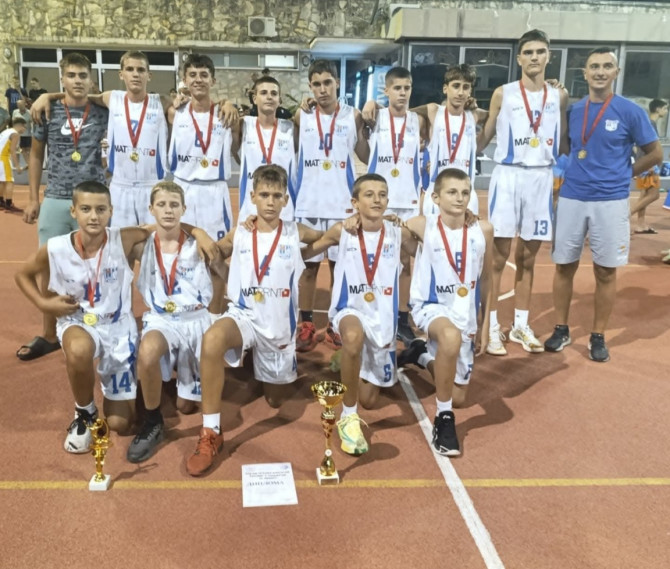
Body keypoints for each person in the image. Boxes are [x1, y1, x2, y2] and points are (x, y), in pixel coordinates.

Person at [184, 164, 324, 476]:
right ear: (252, 197)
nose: (270, 201)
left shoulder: (296, 232)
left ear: (285, 199)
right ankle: (210, 431)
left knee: (275, 401)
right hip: (244, 315)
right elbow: (215, 253)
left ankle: (255, 359)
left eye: (276, 195)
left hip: (278, 326)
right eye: (264, 195)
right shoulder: (241, 232)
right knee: (212, 339)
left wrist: (356, 223)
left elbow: (328, 236)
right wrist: (199, 234)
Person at [14, 182, 155, 452]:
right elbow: (22, 275)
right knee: (78, 349)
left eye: (101, 209)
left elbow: (160, 227)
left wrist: (198, 233)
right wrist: (44, 303)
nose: (94, 216)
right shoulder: (56, 247)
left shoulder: (123, 238)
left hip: (117, 326)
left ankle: (130, 389)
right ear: (73, 211)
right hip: (78, 321)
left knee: (120, 424)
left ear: (111, 211)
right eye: (86, 209)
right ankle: (85, 412)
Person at [544, 47, 662, 362]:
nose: (599, 72)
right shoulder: (575, 110)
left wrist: (625, 174)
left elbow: (655, 153)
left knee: (606, 271)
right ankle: (561, 328)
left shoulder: (630, 111)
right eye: (594, 66)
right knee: (563, 265)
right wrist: (558, 106)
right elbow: (566, 147)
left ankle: (598, 335)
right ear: (585, 73)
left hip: (610, 200)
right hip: (572, 196)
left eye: (606, 66)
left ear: (615, 72)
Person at [300, 173, 418, 455]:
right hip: (349, 310)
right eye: (369, 194)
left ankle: (402, 355)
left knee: (370, 400)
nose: (377, 199)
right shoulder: (343, 231)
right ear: (355, 202)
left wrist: (462, 219)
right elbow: (306, 253)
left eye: (382, 195)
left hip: (382, 319)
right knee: (352, 337)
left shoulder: (397, 234)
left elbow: (430, 249)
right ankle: (348, 418)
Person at [477, 29, 568, 356]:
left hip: (541, 178)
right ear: (519, 58)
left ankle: (520, 325)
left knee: (528, 258)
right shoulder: (503, 93)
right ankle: (491, 327)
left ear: (549, 56)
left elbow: (564, 142)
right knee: (498, 258)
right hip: (509, 176)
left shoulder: (559, 96)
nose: (534, 57)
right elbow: (483, 139)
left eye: (540, 51)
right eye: (528, 52)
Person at [18, 52, 109, 362]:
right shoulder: (47, 111)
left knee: (96, 265)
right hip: (56, 197)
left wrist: (49, 93)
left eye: (83, 75)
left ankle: (96, 325)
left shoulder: (102, 111)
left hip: (93, 199)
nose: (77, 80)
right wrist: (33, 198)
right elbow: (36, 155)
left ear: (91, 79)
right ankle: (48, 334)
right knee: (47, 266)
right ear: (62, 79)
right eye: (71, 75)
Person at [401, 168, 492, 455]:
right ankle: (444, 418)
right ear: (436, 198)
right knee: (450, 338)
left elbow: (487, 279)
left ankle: (421, 355)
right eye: (452, 192)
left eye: (465, 192)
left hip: (465, 312)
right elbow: (393, 232)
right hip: (430, 306)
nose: (460, 198)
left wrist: (486, 325)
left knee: (459, 396)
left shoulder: (483, 230)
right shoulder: (421, 225)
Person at [126, 181, 216, 463]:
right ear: (151, 209)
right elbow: (114, 236)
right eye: (161, 205)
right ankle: (153, 421)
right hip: (161, 319)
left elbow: (222, 271)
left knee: (186, 407)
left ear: (184, 209)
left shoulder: (199, 244)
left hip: (195, 320)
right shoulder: (141, 246)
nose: (168, 210)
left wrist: (198, 231)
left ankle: (179, 375)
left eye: (174, 205)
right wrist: (149, 228)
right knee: (148, 351)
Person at [293, 59, 370, 352]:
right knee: (308, 269)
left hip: (341, 204)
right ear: (310, 87)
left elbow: (365, 153)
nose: (322, 89)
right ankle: (306, 323)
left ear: (337, 82)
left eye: (327, 82)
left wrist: (369, 125)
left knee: (341, 268)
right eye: (316, 84)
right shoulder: (302, 116)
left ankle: (337, 322)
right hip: (309, 203)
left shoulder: (354, 116)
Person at [364, 67, 424, 346]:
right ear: (386, 91)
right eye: (397, 88)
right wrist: (370, 103)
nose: (402, 93)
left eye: (407, 88)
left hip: (408, 200)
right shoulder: (373, 117)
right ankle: (375, 312)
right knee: (376, 258)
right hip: (380, 201)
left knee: (405, 262)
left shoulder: (419, 121)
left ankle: (402, 318)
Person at [168, 53, 234, 242]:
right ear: (184, 80)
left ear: (213, 81)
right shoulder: (174, 113)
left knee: (217, 250)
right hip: (182, 189)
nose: (198, 80)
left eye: (204, 75)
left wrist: (228, 102)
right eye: (193, 75)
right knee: (181, 249)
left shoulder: (226, 114)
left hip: (214, 191)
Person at [233, 75, 297, 222]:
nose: (269, 97)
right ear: (254, 98)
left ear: (280, 100)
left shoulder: (291, 128)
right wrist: (226, 104)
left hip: (284, 209)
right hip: (250, 208)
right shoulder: (243, 125)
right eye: (263, 93)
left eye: (274, 93)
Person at [630, 98, 667, 234]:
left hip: (644, 164)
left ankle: (641, 224)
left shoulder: (648, 123)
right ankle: (625, 216)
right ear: (658, 109)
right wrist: (649, 164)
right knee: (654, 195)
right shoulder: (650, 124)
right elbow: (646, 146)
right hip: (648, 165)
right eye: (665, 108)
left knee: (644, 194)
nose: (666, 111)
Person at [0, 117, 27, 213]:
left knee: (2, 181)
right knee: (9, 181)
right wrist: (18, 166)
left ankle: (1, 201)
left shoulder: (6, 131)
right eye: (25, 127)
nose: (25, 130)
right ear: (20, 125)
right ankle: (9, 203)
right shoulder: (15, 134)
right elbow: (12, 151)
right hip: (3, 158)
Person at [11, 99, 32, 166]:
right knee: (21, 149)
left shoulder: (29, 112)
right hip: (18, 135)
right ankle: (26, 164)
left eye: (21, 105)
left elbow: (32, 123)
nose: (20, 106)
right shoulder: (15, 112)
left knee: (29, 149)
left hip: (28, 134)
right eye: (18, 105)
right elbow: (13, 122)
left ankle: (30, 163)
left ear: (24, 104)